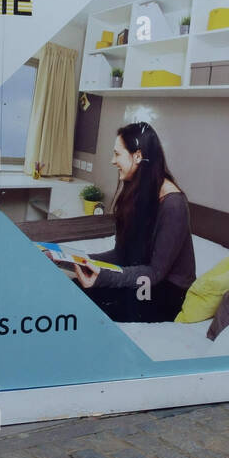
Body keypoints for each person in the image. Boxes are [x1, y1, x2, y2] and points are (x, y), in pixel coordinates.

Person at [69, 121, 195, 323]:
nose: (112, 160)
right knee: (74, 287)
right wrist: (77, 259)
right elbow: (122, 254)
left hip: (166, 291)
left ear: (137, 156)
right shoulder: (137, 190)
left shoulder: (174, 205)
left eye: (117, 154)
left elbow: (155, 273)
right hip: (143, 276)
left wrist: (103, 276)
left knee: (85, 301)